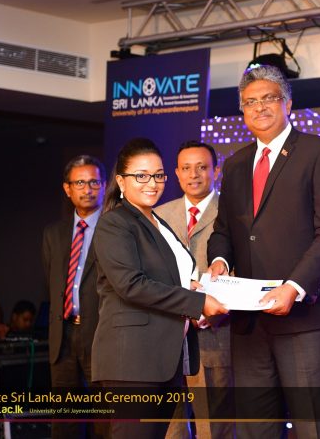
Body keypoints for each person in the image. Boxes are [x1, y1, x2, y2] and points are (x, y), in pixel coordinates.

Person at [207, 65, 320, 438]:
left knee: (317, 427)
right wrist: (219, 262)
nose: (259, 107)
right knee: (255, 429)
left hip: (307, 318)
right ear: (243, 111)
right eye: (249, 102)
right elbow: (224, 230)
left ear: (288, 103)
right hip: (249, 323)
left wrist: (293, 287)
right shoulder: (236, 164)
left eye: (269, 98)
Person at [91, 137, 227, 439]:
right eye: (141, 176)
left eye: (158, 175)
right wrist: (197, 301)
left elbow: (168, 276)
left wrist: (194, 286)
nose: (152, 183)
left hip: (164, 359)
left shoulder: (156, 221)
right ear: (121, 181)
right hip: (132, 361)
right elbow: (131, 285)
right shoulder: (115, 223)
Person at [156, 140, 233, 439]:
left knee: (214, 425)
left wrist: (214, 309)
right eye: (186, 168)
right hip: (167, 337)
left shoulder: (233, 213)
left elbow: (244, 266)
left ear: (216, 171)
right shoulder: (158, 215)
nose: (194, 175)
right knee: (169, 427)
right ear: (176, 173)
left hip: (214, 334)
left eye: (202, 167)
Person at [42, 154, 106, 439]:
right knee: (66, 420)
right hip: (63, 335)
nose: (87, 189)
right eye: (80, 183)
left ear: (104, 186)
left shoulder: (115, 228)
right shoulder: (53, 233)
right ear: (67, 189)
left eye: (94, 182)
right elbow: (51, 282)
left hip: (101, 334)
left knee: (104, 419)